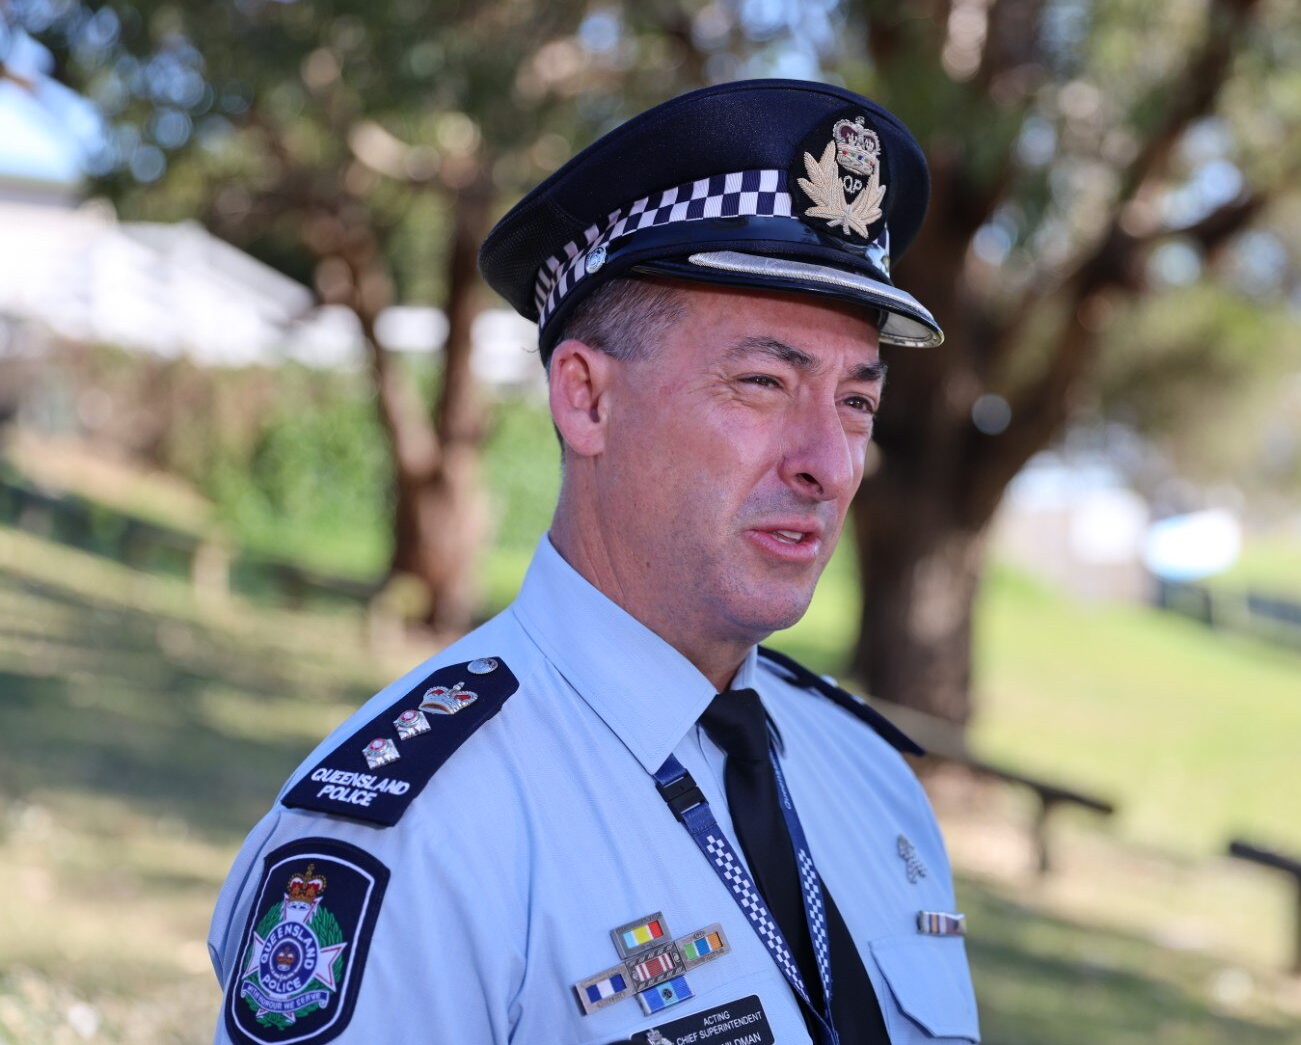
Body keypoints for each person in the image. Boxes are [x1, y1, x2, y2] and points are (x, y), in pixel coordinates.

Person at [208, 79, 979, 1045]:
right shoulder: (424, 836)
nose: (826, 462)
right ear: (585, 399)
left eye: (856, 403)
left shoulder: (870, 777)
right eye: (762, 383)